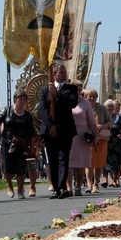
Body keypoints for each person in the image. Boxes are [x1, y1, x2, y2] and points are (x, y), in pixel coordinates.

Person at [38, 64, 78, 199]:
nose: (63, 74)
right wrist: (51, 125)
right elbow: (42, 110)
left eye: (64, 72)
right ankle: (55, 187)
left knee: (63, 158)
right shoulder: (45, 90)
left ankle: (62, 187)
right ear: (54, 74)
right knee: (53, 159)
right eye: (60, 72)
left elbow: (72, 103)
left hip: (65, 129)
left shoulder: (70, 89)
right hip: (50, 130)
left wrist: (58, 94)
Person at [0, 89, 37, 199]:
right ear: (15, 100)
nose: (22, 101)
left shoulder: (27, 116)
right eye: (20, 99)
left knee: (21, 167)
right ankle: (9, 186)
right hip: (7, 143)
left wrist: (32, 146)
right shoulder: (6, 111)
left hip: (21, 144)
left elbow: (31, 132)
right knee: (7, 167)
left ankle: (20, 190)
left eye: (24, 100)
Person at [68, 81, 97, 196]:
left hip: (81, 136)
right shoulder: (66, 101)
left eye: (79, 89)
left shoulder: (86, 104)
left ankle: (78, 186)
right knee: (69, 164)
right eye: (75, 89)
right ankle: (68, 187)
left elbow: (92, 122)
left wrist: (95, 135)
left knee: (80, 164)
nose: (77, 91)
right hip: (68, 135)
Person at [85, 89, 111, 193]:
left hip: (101, 138)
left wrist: (103, 125)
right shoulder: (83, 108)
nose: (92, 98)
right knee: (89, 161)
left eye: (94, 96)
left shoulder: (102, 108)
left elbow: (110, 122)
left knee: (99, 162)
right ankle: (88, 184)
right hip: (87, 137)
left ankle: (96, 184)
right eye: (89, 96)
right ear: (86, 97)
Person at [102, 98, 121, 188]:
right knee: (105, 161)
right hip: (106, 142)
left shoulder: (118, 118)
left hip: (117, 144)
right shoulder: (103, 117)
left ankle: (115, 180)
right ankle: (105, 179)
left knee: (116, 163)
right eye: (108, 106)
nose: (110, 108)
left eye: (112, 106)